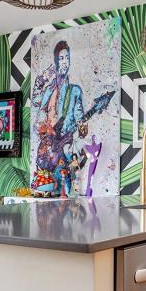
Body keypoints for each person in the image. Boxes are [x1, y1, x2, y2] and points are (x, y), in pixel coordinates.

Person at [31, 40, 88, 197]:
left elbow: (79, 117)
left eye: (67, 58)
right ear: (56, 62)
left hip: (64, 147)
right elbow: (37, 109)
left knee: (64, 197)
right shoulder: (49, 90)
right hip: (46, 151)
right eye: (61, 58)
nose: (65, 62)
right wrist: (43, 129)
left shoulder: (75, 91)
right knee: (43, 193)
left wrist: (83, 129)